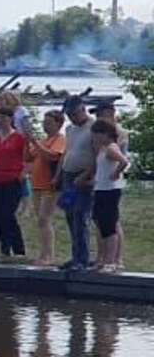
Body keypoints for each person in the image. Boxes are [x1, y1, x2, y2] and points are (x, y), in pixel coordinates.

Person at [58, 96, 98, 271]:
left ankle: (82, 259)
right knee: (69, 216)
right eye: (68, 114)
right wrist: (58, 174)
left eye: (74, 114)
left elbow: (98, 155)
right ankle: (75, 255)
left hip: (84, 176)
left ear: (83, 110)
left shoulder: (94, 128)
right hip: (68, 174)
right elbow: (67, 151)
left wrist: (87, 175)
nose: (71, 118)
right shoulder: (70, 129)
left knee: (80, 217)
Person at [0, 105, 28, 258]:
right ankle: (4, 247)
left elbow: (26, 157)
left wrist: (22, 173)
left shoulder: (18, 137)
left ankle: (17, 248)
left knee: (7, 213)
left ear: (10, 119)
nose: (1, 121)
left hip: (12, 178)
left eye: (4, 118)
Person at [92, 118, 133, 273]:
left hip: (110, 190)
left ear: (105, 134)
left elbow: (124, 161)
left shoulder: (111, 148)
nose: (95, 138)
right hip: (100, 189)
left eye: (97, 135)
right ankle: (103, 259)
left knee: (109, 225)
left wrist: (116, 173)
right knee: (100, 222)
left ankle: (111, 261)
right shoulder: (102, 149)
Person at [27, 109, 67, 267]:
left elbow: (52, 156)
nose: (45, 125)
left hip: (49, 185)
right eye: (44, 122)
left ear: (58, 124)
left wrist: (35, 142)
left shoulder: (60, 139)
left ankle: (48, 255)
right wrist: (27, 141)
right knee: (40, 221)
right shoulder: (43, 140)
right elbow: (28, 156)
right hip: (36, 184)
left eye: (49, 122)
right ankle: (43, 253)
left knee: (45, 219)